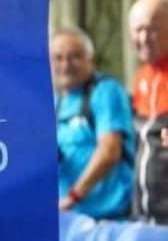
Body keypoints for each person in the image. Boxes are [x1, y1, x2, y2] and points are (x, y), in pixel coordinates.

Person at [50, 27, 135, 220]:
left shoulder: (106, 92)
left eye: (75, 56)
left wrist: (73, 196)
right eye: (58, 57)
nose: (66, 65)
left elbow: (109, 151)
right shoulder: (55, 102)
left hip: (110, 218)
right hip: (71, 217)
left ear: (91, 59)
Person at [127, 0, 168, 223]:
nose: (143, 37)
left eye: (152, 29)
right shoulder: (140, 77)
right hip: (143, 215)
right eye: (137, 29)